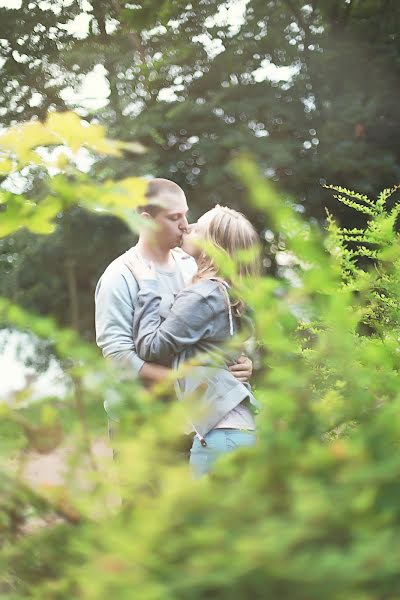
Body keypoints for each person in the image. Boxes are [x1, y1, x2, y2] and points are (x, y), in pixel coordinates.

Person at [95, 179, 253, 427]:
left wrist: (238, 363)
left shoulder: (193, 265)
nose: (185, 226)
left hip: (193, 421)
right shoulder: (120, 276)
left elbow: (214, 332)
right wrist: (196, 379)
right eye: (174, 218)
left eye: (186, 215)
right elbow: (119, 356)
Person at [127, 205, 261, 477]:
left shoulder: (204, 295)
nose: (188, 227)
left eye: (199, 227)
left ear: (214, 246)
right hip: (240, 430)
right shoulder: (230, 292)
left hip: (220, 437)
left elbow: (151, 347)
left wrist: (148, 287)